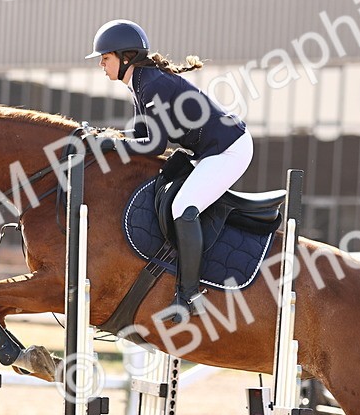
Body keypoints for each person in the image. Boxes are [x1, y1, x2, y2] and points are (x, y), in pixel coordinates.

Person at [87, 19, 253, 318]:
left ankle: (189, 295)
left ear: (126, 58)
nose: (101, 63)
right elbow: (139, 137)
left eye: (106, 57)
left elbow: (154, 146)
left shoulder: (152, 85)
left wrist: (110, 144)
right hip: (211, 149)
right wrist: (105, 137)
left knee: (183, 207)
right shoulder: (140, 83)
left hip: (230, 150)